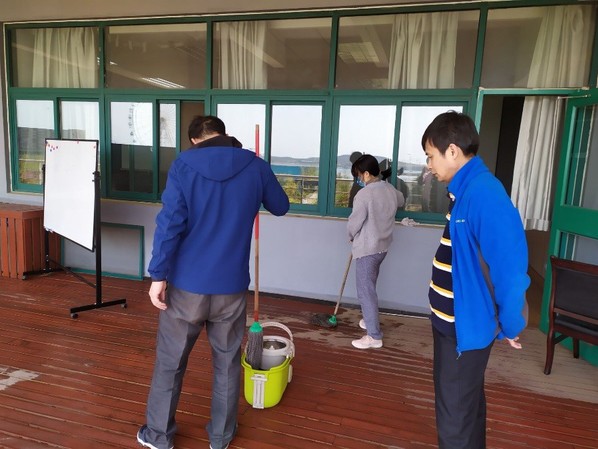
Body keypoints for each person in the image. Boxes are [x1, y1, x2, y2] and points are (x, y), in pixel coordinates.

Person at [137, 115, 290, 449]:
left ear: (195, 140)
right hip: (231, 286)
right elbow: (281, 206)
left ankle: (158, 436)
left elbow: (170, 224)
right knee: (227, 363)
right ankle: (221, 437)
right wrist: (258, 183)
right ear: (222, 134)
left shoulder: (183, 165)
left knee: (171, 362)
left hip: (186, 286)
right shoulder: (255, 165)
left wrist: (157, 275)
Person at [421, 111, 529, 449]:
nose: (429, 165)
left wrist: (510, 324)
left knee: (455, 417)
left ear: (452, 151)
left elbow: (510, 272)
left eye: (431, 156)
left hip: (463, 329)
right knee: (464, 406)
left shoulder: (485, 195)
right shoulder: (465, 191)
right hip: (451, 325)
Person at [347, 154, 405, 349]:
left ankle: (374, 336)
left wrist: (350, 234)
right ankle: (368, 319)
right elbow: (401, 200)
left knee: (366, 291)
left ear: (366, 174)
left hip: (367, 248)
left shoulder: (364, 195)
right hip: (382, 247)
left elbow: (355, 222)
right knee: (370, 286)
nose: (358, 179)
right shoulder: (389, 189)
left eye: (358, 175)